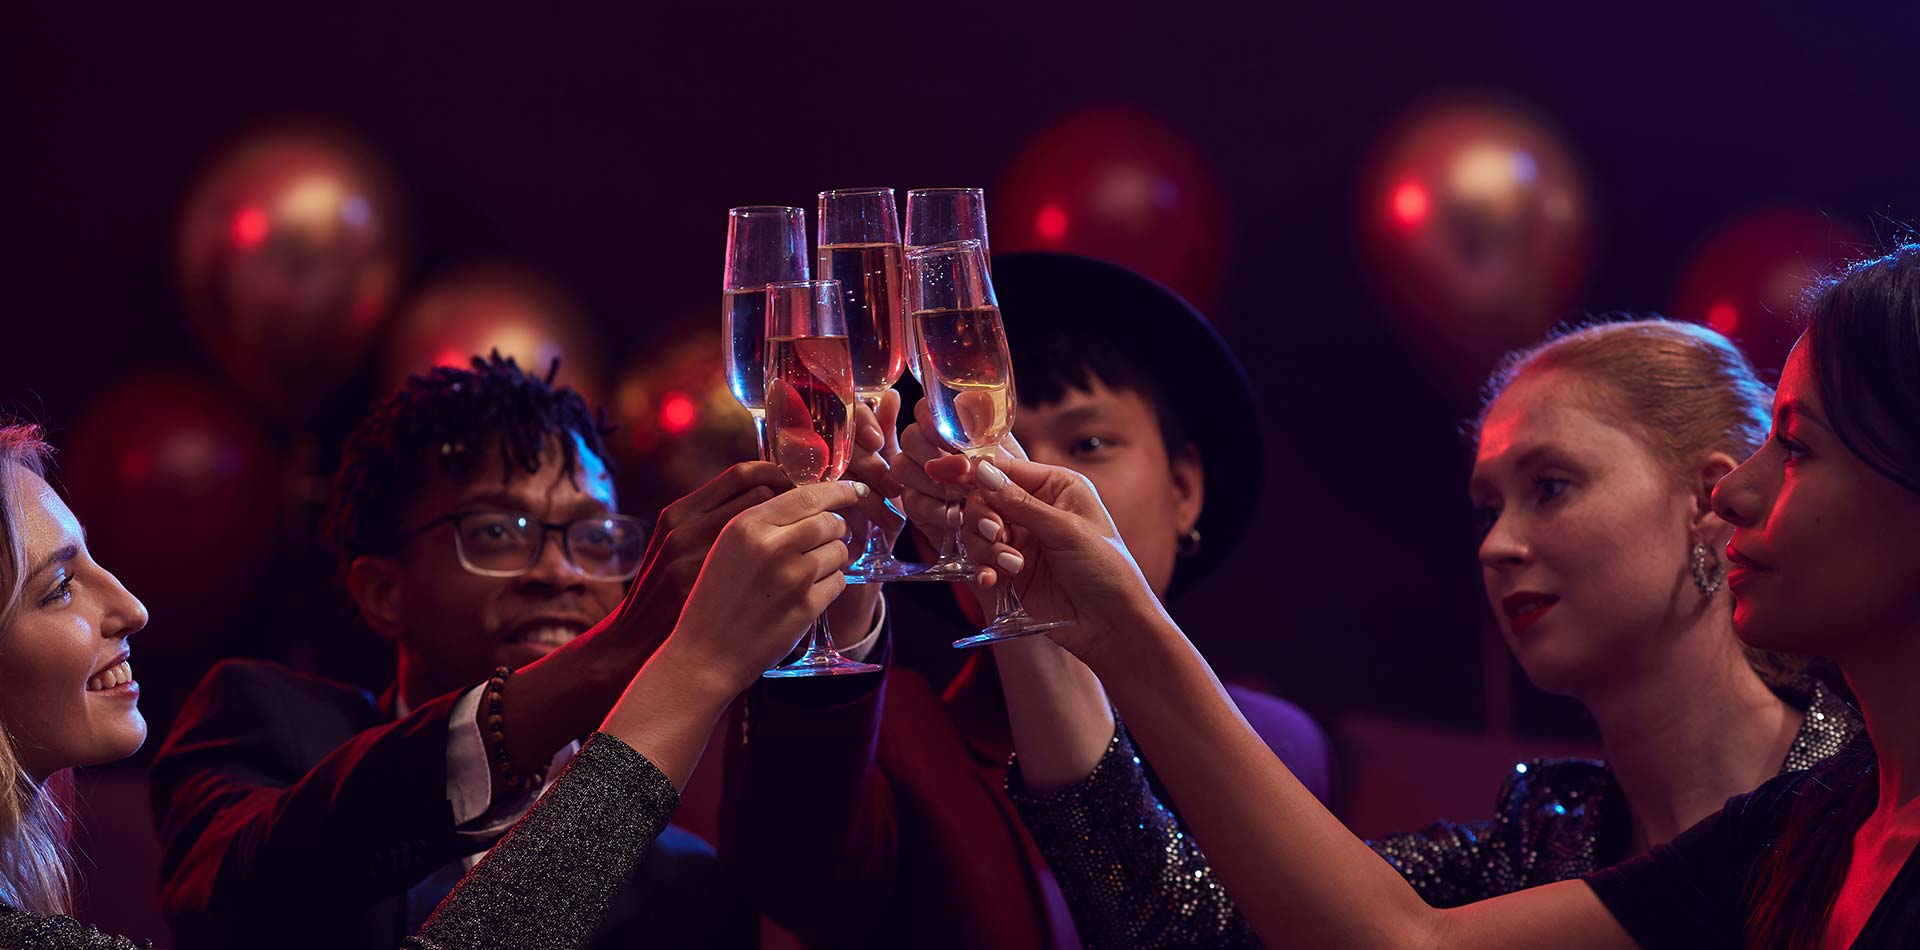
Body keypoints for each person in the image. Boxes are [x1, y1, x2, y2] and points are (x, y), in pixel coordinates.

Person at [949, 243, 1920, 947]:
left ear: (1703, 499)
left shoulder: (1833, 801)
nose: (1497, 545)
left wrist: (1126, 624)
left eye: (1551, 486)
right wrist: (1032, 620)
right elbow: (1203, 924)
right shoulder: (1567, 829)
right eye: (1487, 505)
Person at [0, 417, 874, 949]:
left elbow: (823, 885)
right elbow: (243, 893)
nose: (561, 571)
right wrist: (650, 655)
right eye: (501, 531)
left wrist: (847, 597)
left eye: (598, 537)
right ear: (384, 590)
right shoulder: (270, 724)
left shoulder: (692, 880)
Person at [721, 253, 1335, 949]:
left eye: (1089, 443)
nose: (1019, 478)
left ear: (1185, 488)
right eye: (980, 443)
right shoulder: (899, 743)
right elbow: (793, 878)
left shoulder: (1283, 743)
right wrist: (845, 593)